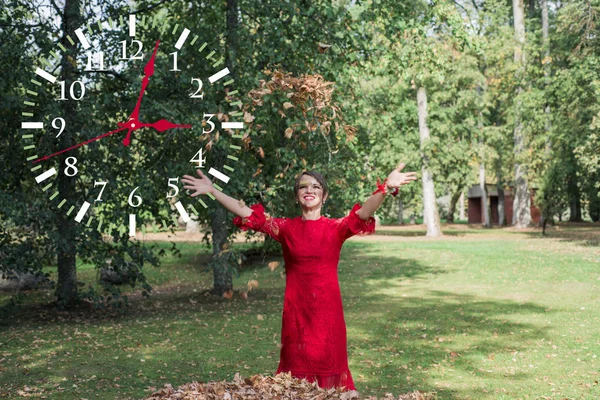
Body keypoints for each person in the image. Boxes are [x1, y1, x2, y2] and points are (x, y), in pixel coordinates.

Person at [181, 163, 417, 391]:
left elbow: (365, 211)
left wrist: (386, 187)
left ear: (324, 196)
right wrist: (213, 190)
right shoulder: (286, 228)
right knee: (294, 384)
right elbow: (247, 213)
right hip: (296, 316)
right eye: (304, 186)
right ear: (296, 196)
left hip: (328, 316)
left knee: (331, 384)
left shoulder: (336, 228)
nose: (309, 191)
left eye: (316, 187)